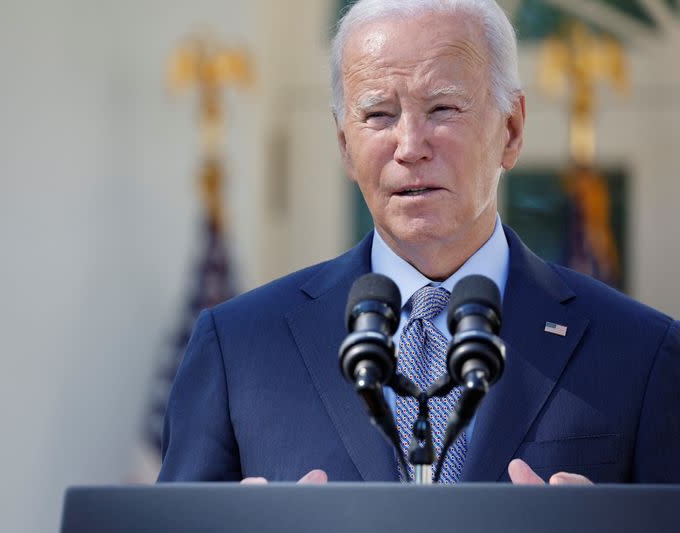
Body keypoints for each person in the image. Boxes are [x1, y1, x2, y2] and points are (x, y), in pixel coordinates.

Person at [158, 0, 680, 484]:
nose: (410, 147)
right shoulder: (238, 347)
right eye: (378, 115)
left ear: (513, 129)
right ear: (345, 144)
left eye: (443, 109)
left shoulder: (642, 353)